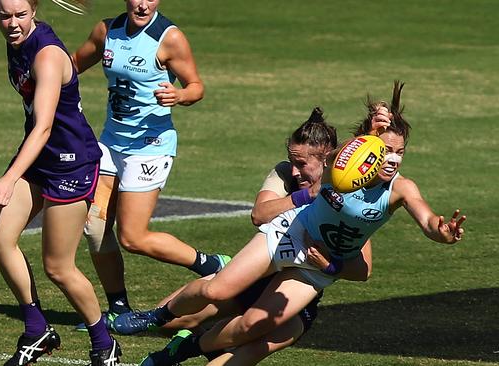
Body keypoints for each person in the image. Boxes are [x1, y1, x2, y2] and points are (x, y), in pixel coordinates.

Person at [112, 81, 467, 365]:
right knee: (215, 290)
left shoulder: (400, 189)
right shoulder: (341, 167)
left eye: (400, 152)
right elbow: (339, 160)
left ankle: (181, 352)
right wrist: (371, 131)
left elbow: (426, 218)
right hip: (292, 233)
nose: (392, 159)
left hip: (315, 269)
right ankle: (155, 316)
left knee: (252, 326)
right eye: (386, 150)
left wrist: (442, 232)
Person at [138, 107, 375, 365]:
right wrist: (308, 194)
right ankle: (199, 325)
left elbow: (362, 270)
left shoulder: (350, 199)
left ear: (327, 160)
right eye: (292, 161)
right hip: (254, 277)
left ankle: (195, 344)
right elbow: (260, 215)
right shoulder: (286, 173)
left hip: (294, 293)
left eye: (302, 164)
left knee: (251, 344)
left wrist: (329, 265)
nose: (295, 171)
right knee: (169, 323)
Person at [70, 0, 230, 331]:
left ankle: (212, 263)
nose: (143, 4)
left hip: (150, 149)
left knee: (132, 237)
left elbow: (196, 86)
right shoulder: (106, 30)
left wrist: (179, 96)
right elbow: (71, 65)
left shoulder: (168, 38)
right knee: (95, 228)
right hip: (110, 143)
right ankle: (117, 309)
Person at [0, 1, 120, 365]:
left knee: (58, 267)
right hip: (39, 158)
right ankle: (36, 330)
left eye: (20, 16)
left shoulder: (46, 55)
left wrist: (10, 177)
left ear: (34, 11)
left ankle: (104, 342)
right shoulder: (17, 43)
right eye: (4, 16)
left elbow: (44, 125)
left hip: (70, 164)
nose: (12, 24)